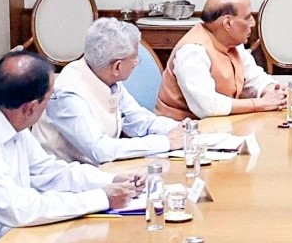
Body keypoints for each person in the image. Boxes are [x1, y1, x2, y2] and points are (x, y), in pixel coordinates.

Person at [0, 51, 142, 243]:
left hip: (5, 237)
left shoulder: (8, 114)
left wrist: (111, 180)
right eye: (49, 98)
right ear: (30, 108)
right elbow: (18, 208)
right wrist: (102, 198)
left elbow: (48, 172)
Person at [32, 18, 183, 164]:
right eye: (135, 58)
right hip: (67, 176)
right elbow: (99, 150)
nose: (136, 63)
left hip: (101, 171)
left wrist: (181, 129)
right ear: (117, 66)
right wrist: (165, 142)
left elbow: (139, 121)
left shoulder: (107, 79)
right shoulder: (67, 93)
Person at [155, 0, 288, 120]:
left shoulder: (233, 45)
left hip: (220, 124)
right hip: (180, 129)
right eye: (247, 18)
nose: (253, 23)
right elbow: (208, 107)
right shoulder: (192, 51)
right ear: (228, 23)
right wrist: (260, 104)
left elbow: (255, 79)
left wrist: (274, 92)